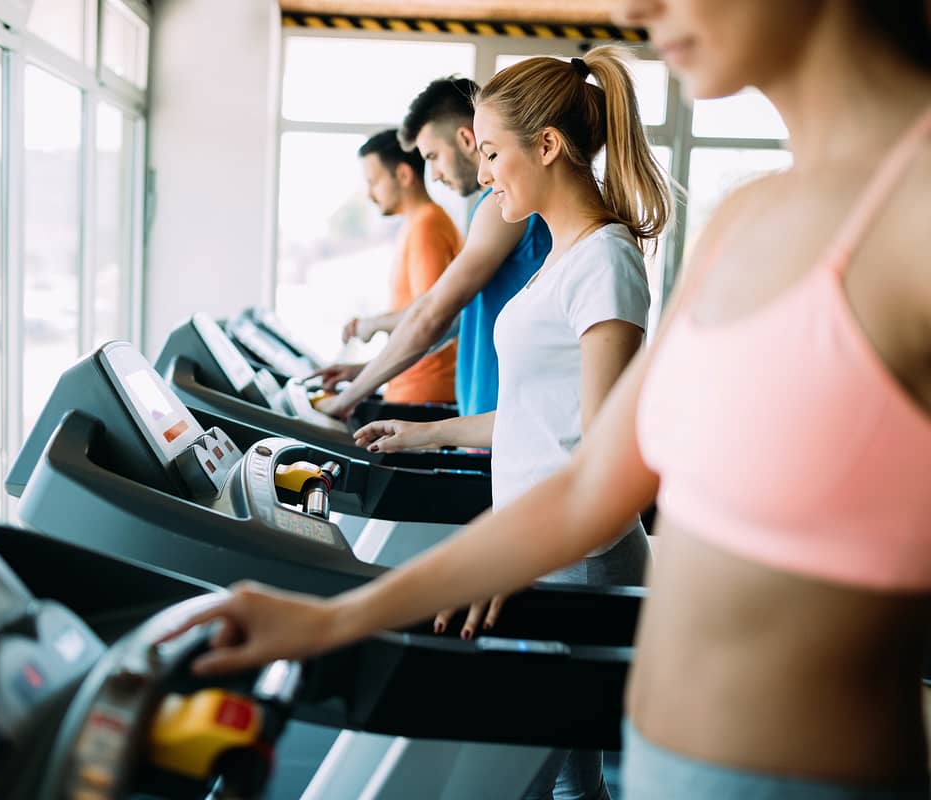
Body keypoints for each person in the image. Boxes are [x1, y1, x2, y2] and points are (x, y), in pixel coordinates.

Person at [171, 2, 931, 799]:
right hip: (665, 763)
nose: (634, 9)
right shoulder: (747, 219)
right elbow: (589, 482)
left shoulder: (912, 217)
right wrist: (333, 617)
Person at [354, 47, 668, 800]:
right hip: (545, 544)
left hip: (576, 559)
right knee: (554, 774)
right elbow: (537, 422)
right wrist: (421, 435)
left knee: (538, 774)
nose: (483, 170)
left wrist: (516, 558)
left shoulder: (606, 261)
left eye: (492, 152)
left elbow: (604, 458)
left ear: (548, 146)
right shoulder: (563, 260)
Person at [312, 77, 551, 419]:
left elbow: (431, 315)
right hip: (489, 422)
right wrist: (364, 372)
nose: (434, 174)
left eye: (434, 157)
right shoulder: (500, 206)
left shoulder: (504, 207)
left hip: (503, 423)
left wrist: (344, 400)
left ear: (466, 139)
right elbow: (456, 318)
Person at [342, 129, 461, 405]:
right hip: (409, 386)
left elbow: (431, 316)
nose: (370, 194)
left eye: (374, 182)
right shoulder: (420, 223)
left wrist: (371, 324)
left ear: (404, 175)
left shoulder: (427, 226)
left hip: (420, 392)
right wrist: (363, 371)